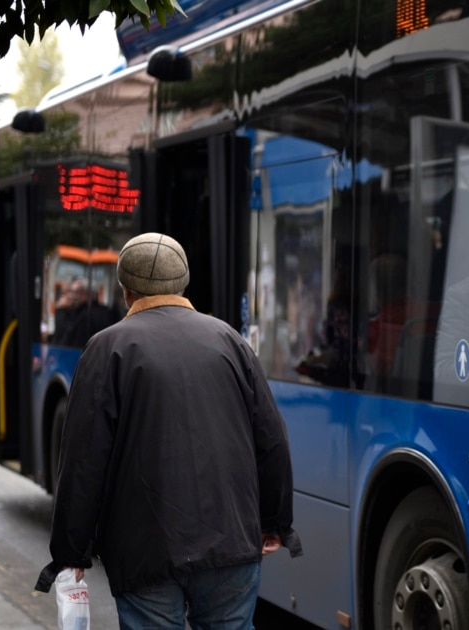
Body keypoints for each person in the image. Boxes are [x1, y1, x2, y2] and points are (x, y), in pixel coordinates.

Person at [35, 232, 301, 629]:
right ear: (183, 282)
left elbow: (82, 460)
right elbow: (272, 440)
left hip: (145, 552)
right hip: (231, 544)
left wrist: (71, 551)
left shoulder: (106, 348)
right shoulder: (230, 340)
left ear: (125, 289)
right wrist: (276, 523)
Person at [52, 277, 119, 348]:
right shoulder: (106, 311)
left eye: (77, 292)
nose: (74, 297)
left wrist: (61, 310)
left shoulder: (84, 315)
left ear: (86, 293)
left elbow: (65, 339)